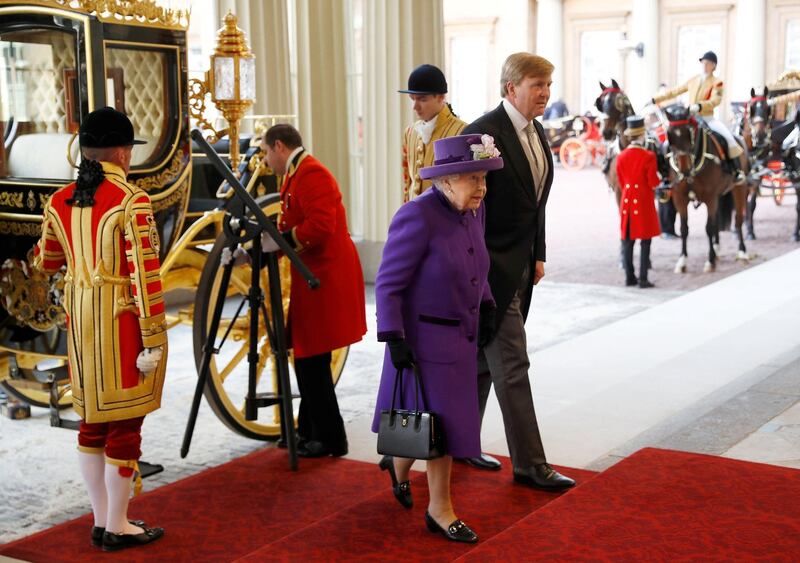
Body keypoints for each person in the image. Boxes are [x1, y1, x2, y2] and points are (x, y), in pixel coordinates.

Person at [33, 107, 167, 551]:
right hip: (122, 324)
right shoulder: (133, 200)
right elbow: (146, 279)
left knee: (91, 424)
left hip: (80, 326)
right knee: (126, 427)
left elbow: (44, 262)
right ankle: (118, 525)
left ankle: (102, 519)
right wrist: (153, 338)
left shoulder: (58, 200)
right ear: (124, 153)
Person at [373, 134, 502, 543]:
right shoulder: (417, 216)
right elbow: (388, 284)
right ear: (446, 181)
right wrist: (394, 337)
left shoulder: (472, 213)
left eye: (483, 178)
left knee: (431, 427)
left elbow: (476, 264)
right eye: (472, 179)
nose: (481, 188)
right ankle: (440, 510)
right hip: (423, 344)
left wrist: (487, 304)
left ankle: (396, 461)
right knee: (440, 430)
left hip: (459, 341)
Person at [461, 52, 574, 490]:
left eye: (548, 84)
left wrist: (537, 254)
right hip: (488, 270)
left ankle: (461, 443)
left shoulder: (538, 132)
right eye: (537, 84)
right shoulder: (481, 133)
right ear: (511, 88)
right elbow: (465, 206)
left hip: (522, 264)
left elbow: (535, 203)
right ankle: (530, 463)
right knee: (512, 364)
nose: (545, 92)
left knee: (482, 364)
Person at [259, 124, 366, 458]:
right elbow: (292, 226)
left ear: (278, 146)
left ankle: (332, 439)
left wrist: (276, 244)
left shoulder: (311, 173)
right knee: (307, 359)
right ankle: (309, 432)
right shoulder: (297, 172)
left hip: (324, 276)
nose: (265, 160)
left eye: (265, 152)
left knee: (311, 360)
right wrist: (258, 252)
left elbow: (320, 227)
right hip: (313, 275)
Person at [652, 51, 744, 182]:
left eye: (707, 63)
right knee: (670, 139)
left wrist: (700, 106)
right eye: (703, 63)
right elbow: (675, 91)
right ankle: (666, 172)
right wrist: (656, 99)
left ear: (713, 66)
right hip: (690, 119)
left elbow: (716, 100)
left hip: (707, 118)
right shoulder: (694, 79)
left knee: (728, 138)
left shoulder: (717, 82)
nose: (704, 66)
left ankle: (736, 171)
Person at [400, 64, 467, 202]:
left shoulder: (462, 131)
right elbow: (408, 182)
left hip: (446, 218)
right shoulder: (410, 132)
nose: (415, 106)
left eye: (422, 99)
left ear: (441, 97)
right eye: (413, 99)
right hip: (416, 217)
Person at [616, 115, 662, 288]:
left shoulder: (620, 156)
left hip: (627, 201)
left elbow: (621, 182)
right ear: (642, 135)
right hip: (643, 201)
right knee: (645, 241)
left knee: (627, 241)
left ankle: (630, 277)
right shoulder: (648, 156)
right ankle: (643, 279)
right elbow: (653, 182)